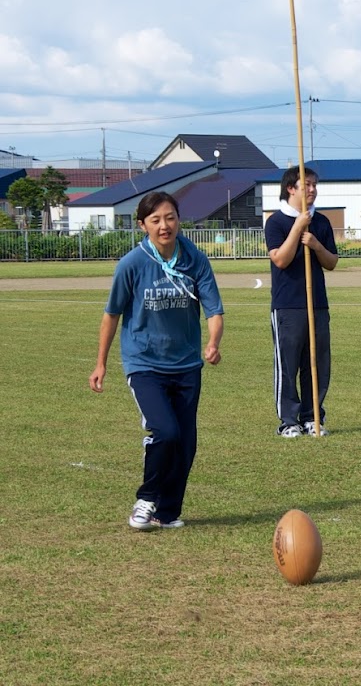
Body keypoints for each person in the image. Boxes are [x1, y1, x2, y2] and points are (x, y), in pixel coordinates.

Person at [88, 193, 224, 531]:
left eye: (170, 217)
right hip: (144, 363)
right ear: (143, 225)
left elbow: (214, 309)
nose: (164, 225)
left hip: (187, 364)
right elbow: (112, 315)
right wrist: (100, 363)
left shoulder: (195, 259)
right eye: (156, 220)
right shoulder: (132, 264)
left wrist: (213, 343)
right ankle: (146, 499)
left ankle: (167, 513)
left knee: (186, 442)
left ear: (179, 219)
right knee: (165, 431)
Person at [265, 166, 339, 438]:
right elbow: (281, 259)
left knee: (317, 363)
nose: (312, 189)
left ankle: (312, 417)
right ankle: (288, 421)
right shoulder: (276, 222)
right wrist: (297, 228)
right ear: (290, 188)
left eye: (314, 184)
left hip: (317, 303)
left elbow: (331, 262)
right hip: (288, 305)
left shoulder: (321, 222)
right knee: (288, 364)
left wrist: (316, 244)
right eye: (306, 184)